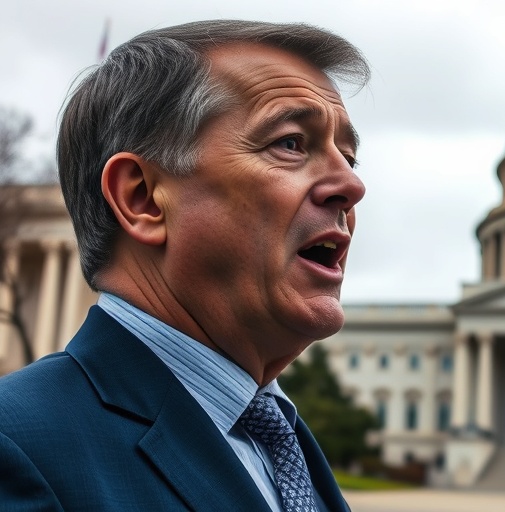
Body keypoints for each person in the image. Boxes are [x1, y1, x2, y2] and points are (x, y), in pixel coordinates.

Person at [0, 20, 368, 511]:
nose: (351, 186)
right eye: (291, 143)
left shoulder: (283, 444)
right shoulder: (17, 448)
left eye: (348, 157)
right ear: (143, 198)